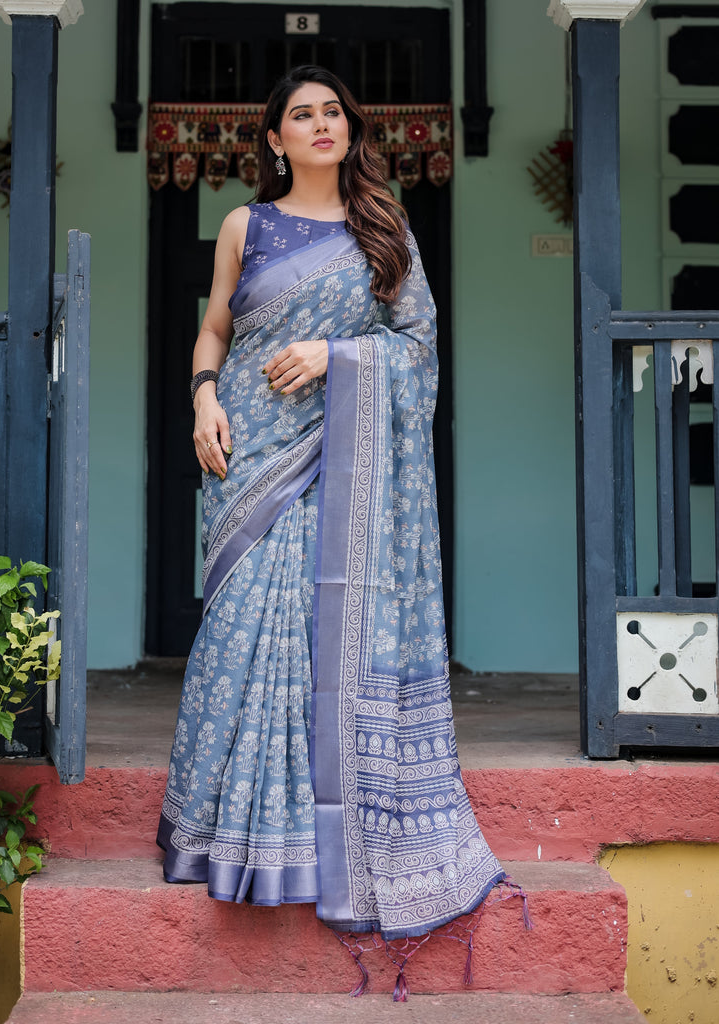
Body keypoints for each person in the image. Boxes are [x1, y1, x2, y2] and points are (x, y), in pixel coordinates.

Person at [157, 64, 524, 995]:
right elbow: (211, 329)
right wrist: (202, 396)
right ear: (273, 139)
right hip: (244, 452)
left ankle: (309, 845)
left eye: (332, 113)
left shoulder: (384, 224)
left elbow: (416, 347)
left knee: (316, 643)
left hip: (338, 460)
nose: (319, 125)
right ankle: (223, 837)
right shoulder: (247, 225)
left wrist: (335, 352)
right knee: (240, 637)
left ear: (350, 132)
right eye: (300, 116)